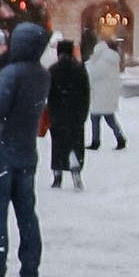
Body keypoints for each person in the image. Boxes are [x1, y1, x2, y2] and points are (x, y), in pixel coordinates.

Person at [0, 19, 50, 277]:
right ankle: (30, 269)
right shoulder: (41, 74)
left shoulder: (11, 74)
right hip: (26, 149)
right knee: (27, 212)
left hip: (1, 151)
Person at [47, 32, 90, 186]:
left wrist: (51, 113)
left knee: (58, 144)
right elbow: (86, 93)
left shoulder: (53, 70)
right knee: (75, 143)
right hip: (75, 114)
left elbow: (49, 94)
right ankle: (75, 168)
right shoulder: (80, 70)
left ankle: (57, 174)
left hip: (58, 114)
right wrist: (83, 114)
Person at [83, 27, 126, 152]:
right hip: (106, 94)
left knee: (96, 118)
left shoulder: (103, 61)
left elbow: (92, 74)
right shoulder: (110, 59)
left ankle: (97, 141)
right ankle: (119, 138)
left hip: (100, 95)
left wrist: (89, 64)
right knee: (109, 118)